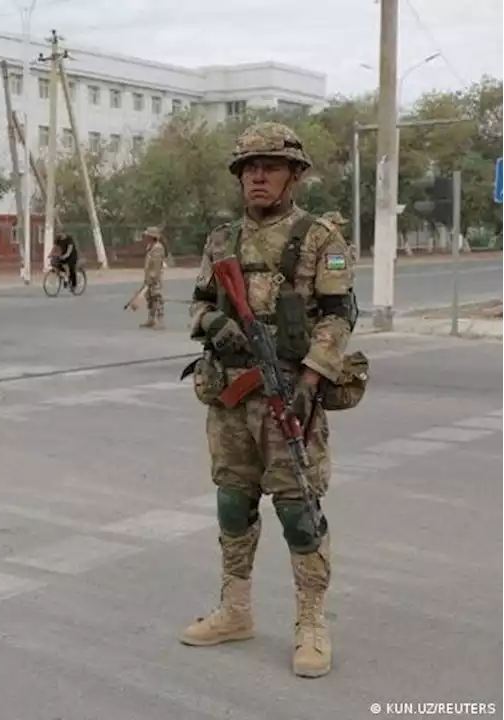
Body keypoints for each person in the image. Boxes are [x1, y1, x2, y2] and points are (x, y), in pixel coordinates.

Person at [181, 122, 356, 679]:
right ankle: (235, 610)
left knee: (298, 511)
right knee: (233, 503)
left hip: (289, 394)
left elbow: (338, 314)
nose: (257, 176)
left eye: (270, 167)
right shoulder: (220, 240)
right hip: (231, 398)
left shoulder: (321, 238)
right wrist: (215, 324)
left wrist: (308, 382)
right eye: (248, 168)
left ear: (295, 176)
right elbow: (199, 305)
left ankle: (310, 622)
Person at [141, 227, 167, 329]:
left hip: (155, 277)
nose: (144, 237)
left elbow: (156, 264)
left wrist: (152, 277)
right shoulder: (150, 247)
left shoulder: (158, 248)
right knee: (150, 298)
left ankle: (160, 321)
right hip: (149, 276)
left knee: (157, 298)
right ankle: (151, 320)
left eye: (146, 236)